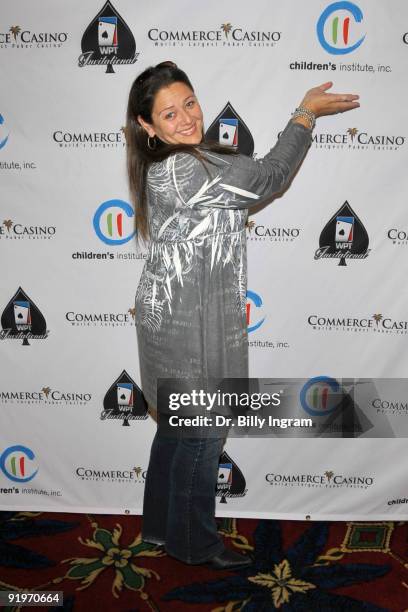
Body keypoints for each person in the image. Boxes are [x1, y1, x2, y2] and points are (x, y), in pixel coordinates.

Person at [126, 61, 359, 569]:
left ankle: (163, 530)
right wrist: (305, 114)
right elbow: (272, 175)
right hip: (188, 327)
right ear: (147, 127)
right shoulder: (190, 167)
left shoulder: (175, 163)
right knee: (203, 434)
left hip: (170, 317)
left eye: (189, 102)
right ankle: (194, 544)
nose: (187, 118)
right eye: (169, 113)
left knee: (175, 428)